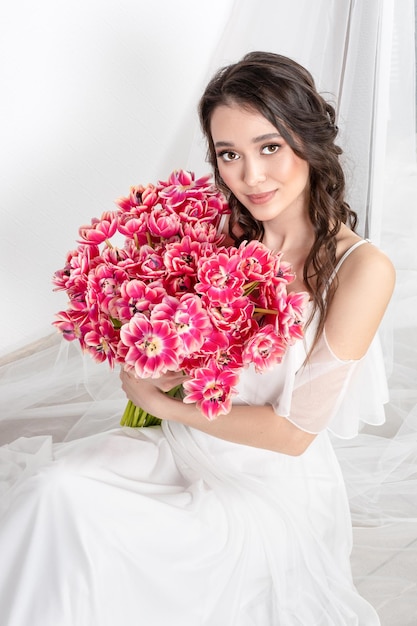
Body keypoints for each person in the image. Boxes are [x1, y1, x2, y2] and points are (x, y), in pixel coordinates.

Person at [0, 51, 395, 625]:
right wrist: (153, 367)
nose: (251, 177)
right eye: (229, 155)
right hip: (180, 447)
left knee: (97, 521)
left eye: (269, 148)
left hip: (264, 483)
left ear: (308, 141)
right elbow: (195, 358)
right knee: (53, 490)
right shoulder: (218, 233)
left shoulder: (359, 269)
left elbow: (292, 436)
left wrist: (159, 403)